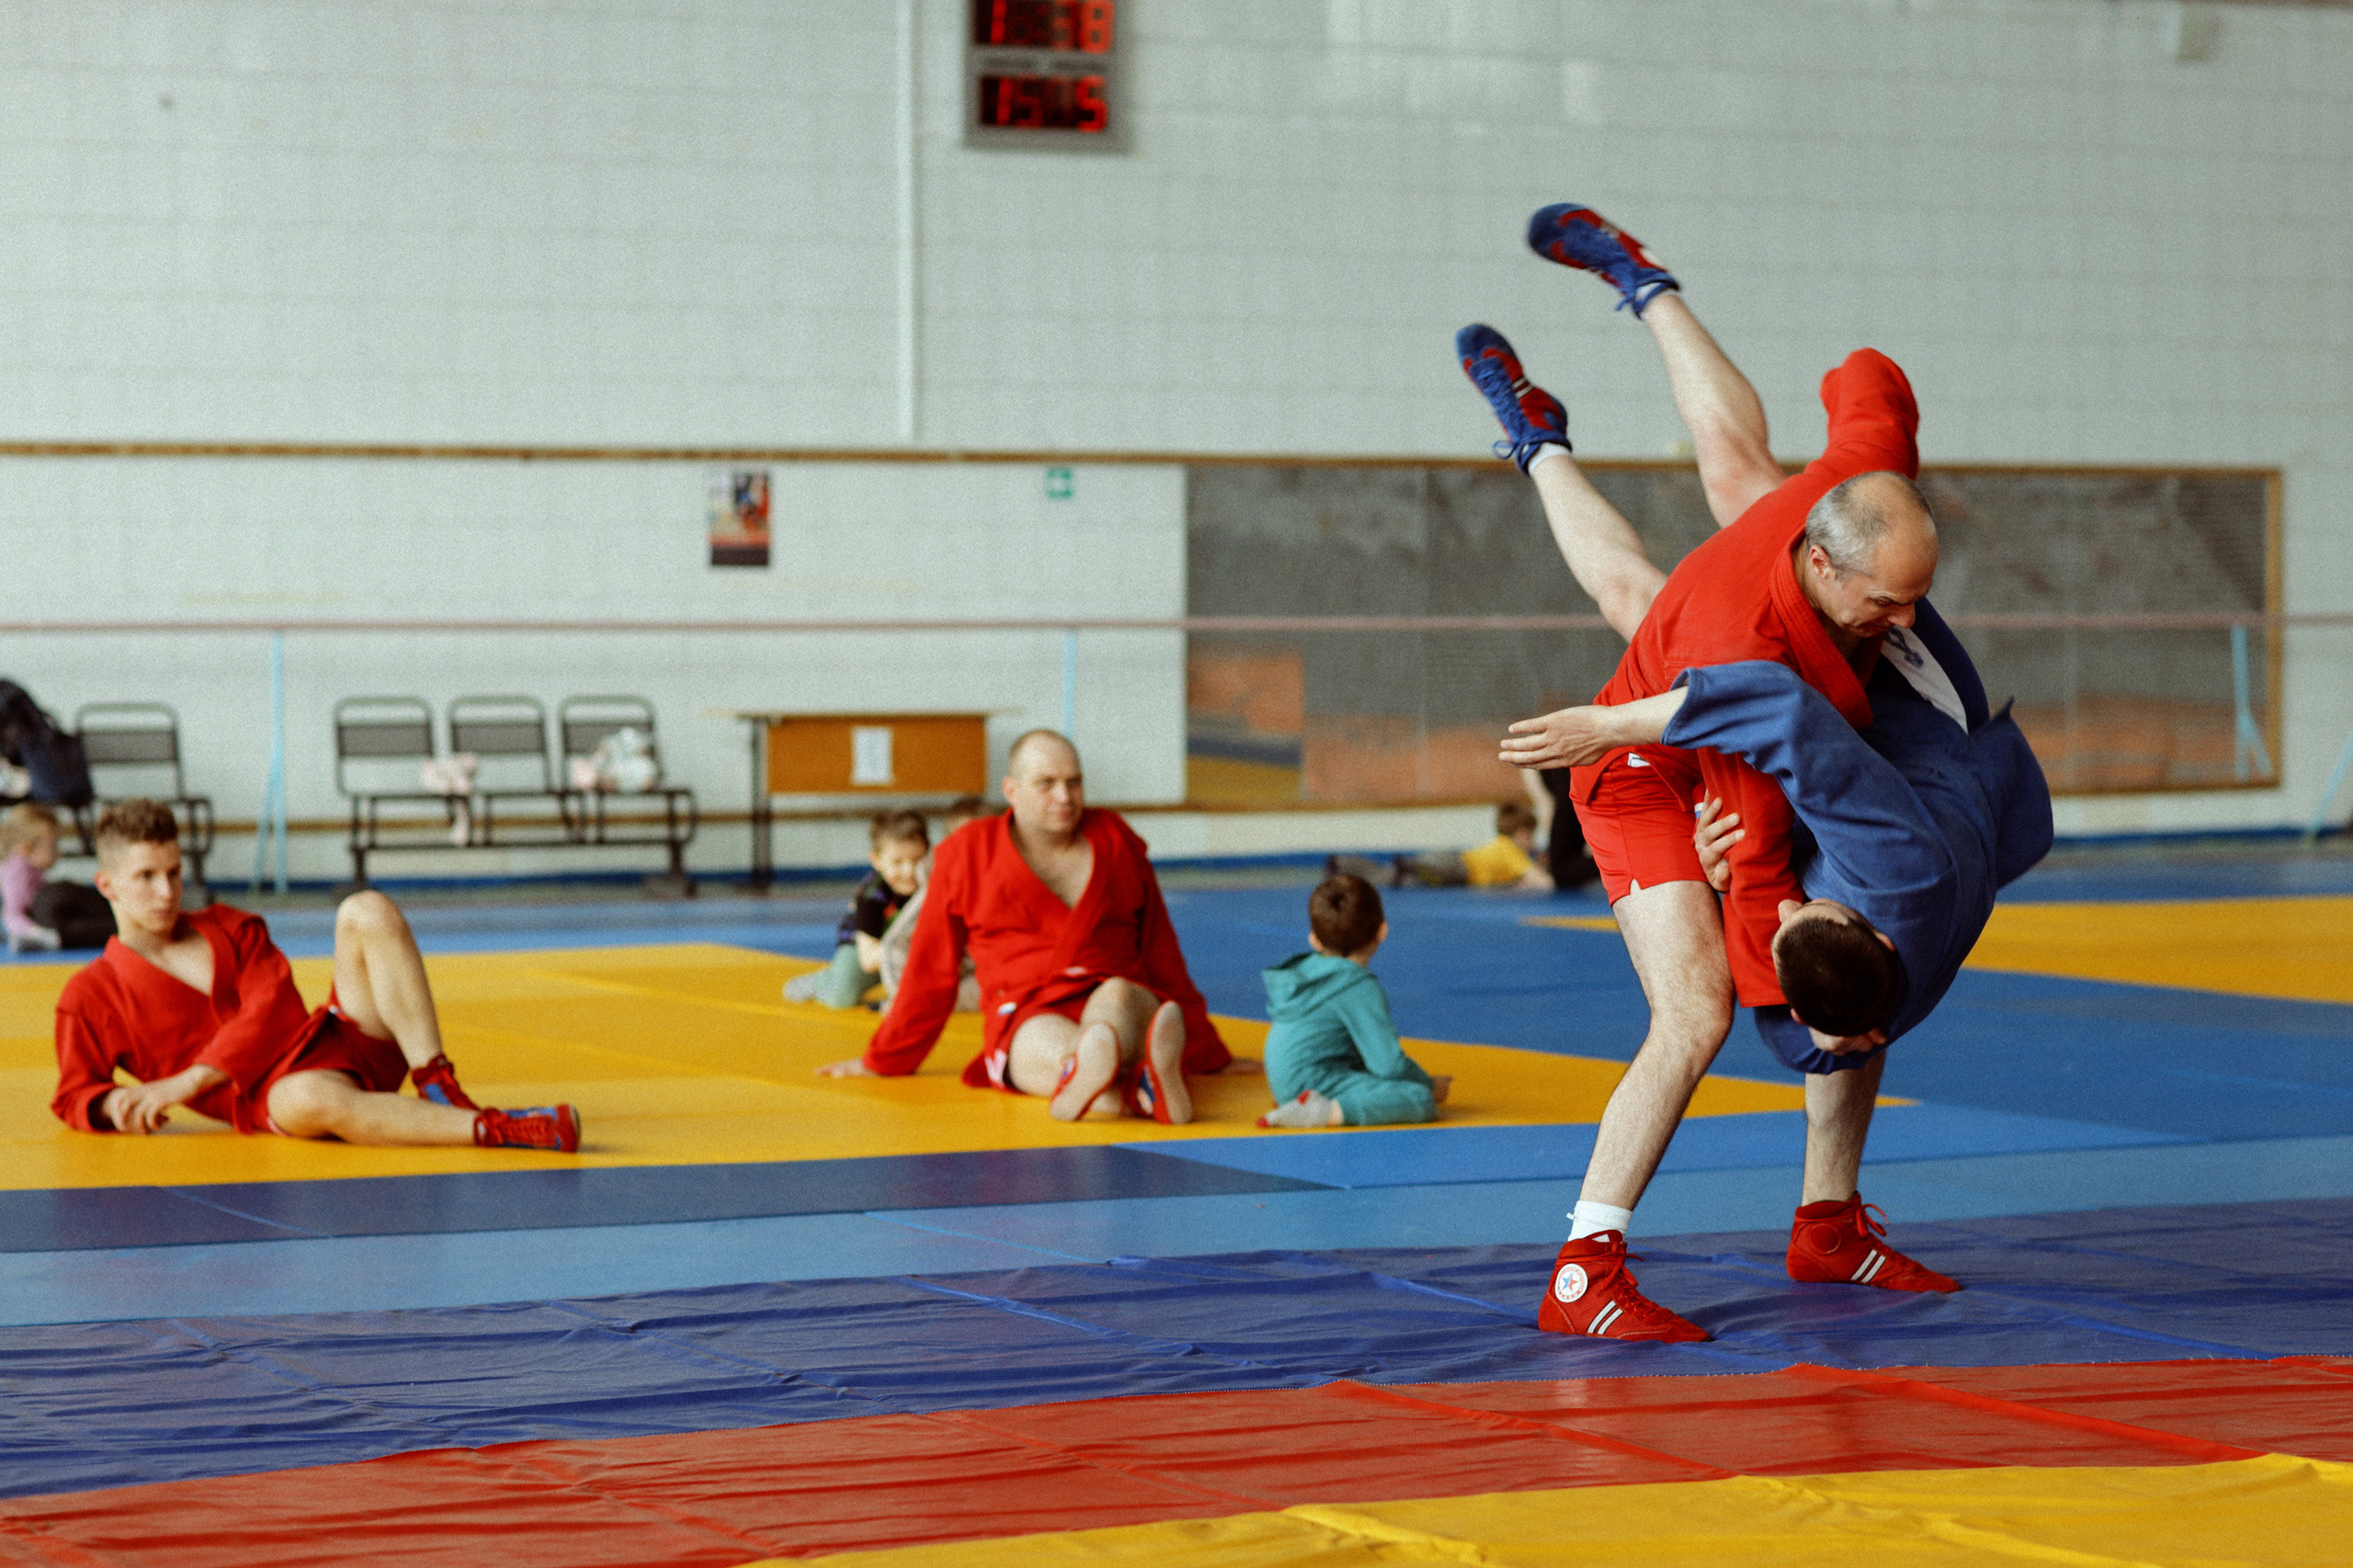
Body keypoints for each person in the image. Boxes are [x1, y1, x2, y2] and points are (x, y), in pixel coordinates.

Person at [1456, 205, 1955, 1341]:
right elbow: (1759, 881)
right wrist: (1765, 930)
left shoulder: (1860, 487)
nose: (1907, 621)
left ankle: (1612, 325)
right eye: (1885, 603)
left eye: (1915, 594)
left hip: (1714, 667)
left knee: (1705, 517)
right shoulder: (1748, 658)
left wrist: (1855, 388)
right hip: (1644, 768)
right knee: (1700, 1011)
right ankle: (1583, 1263)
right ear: (1822, 562)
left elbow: (1873, 379)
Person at [51, 799, 578, 1151]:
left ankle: (436, 1082)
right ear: (107, 884)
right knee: (307, 1098)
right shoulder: (90, 995)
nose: (167, 892)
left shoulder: (228, 925)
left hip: (338, 1039)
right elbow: (73, 1092)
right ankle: (499, 1128)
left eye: (173, 873)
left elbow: (275, 1009)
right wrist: (110, 1103)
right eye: (145, 877)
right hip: (276, 1096)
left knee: (365, 907)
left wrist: (184, 1083)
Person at [818, 731, 1256, 1123]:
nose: (1065, 796)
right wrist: (885, 1058)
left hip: (1117, 995)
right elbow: (932, 967)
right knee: (1046, 1041)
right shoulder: (967, 853)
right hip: (1025, 1011)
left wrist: (1210, 1053)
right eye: (1046, 784)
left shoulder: (1115, 838)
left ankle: (1106, 1078)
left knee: (1117, 997)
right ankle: (1138, 1085)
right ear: (1011, 790)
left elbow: (1161, 950)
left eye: (1074, 782)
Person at [1257, 873, 1451, 1129]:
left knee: (1379, 1077)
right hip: (1312, 1081)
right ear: (1383, 931)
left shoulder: (1308, 970)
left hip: (1286, 1079)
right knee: (1419, 1100)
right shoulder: (1356, 985)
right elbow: (1388, 1065)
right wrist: (1428, 1084)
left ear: (1314, 940)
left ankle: (1305, 1102)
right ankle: (1324, 1112)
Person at [784, 809, 929, 1008]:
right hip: (863, 947)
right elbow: (868, 960)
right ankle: (821, 981)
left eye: (917, 860)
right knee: (841, 997)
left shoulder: (932, 882)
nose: (909, 871)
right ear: (877, 860)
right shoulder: (872, 895)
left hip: (902, 950)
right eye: (897, 862)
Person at [876, 793, 989, 1009]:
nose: (976, 854)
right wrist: (902, 997)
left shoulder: (1006, 878)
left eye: (985, 842)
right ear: (950, 845)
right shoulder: (939, 885)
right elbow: (892, 945)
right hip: (945, 973)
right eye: (967, 844)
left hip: (981, 974)